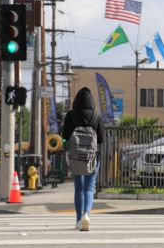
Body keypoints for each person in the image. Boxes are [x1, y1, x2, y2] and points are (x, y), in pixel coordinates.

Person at [62, 87, 105, 231]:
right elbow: (101, 139)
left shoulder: (70, 115)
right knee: (89, 188)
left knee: (78, 188)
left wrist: (66, 147)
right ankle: (87, 214)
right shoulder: (96, 116)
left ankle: (78, 220)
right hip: (92, 158)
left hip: (75, 157)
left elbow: (65, 137)